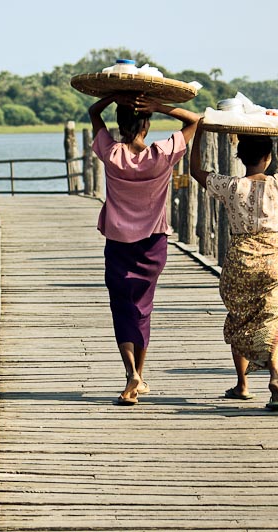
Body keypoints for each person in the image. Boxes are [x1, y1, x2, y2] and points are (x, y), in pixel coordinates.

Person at [189, 122, 278, 410]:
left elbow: (196, 171)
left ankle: (242, 384)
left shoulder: (231, 186)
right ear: (269, 157)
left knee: (240, 318)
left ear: (240, 157)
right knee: (274, 321)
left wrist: (199, 134)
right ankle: (275, 378)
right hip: (273, 259)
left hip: (240, 259)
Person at [89, 93, 201, 405]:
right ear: (146, 126)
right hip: (153, 244)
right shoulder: (162, 154)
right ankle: (139, 374)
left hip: (119, 243)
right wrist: (158, 106)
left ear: (119, 125)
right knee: (143, 308)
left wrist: (112, 95)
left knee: (121, 308)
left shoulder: (112, 153)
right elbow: (195, 121)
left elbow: (92, 112)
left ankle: (131, 375)